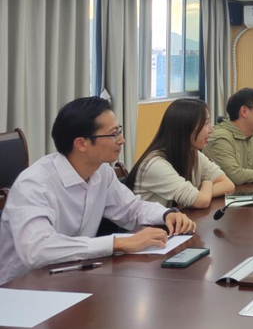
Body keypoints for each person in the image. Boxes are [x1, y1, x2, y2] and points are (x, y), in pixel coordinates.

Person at [0, 97, 196, 286]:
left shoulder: (101, 171)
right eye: (113, 134)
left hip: (72, 277)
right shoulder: (34, 184)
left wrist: (166, 214)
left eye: (119, 131)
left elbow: (131, 209)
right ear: (81, 143)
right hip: (21, 288)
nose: (122, 140)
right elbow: (38, 250)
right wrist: (116, 243)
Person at [127, 98, 235, 208]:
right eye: (206, 123)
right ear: (186, 128)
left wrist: (201, 192)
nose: (211, 129)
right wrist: (207, 182)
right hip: (151, 220)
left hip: (177, 217)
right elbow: (202, 201)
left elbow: (228, 185)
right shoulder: (156, 165)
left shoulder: (192, 153)